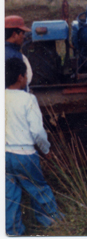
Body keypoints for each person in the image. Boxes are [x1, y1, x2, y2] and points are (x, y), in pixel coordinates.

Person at [5, 58, 62, 235]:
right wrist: (46, 151)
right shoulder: (28, 99)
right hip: (25, 154)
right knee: (39, 189)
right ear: (21, 77)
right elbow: (37, 131)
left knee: (9, 195)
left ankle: (12, 231)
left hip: (4, 154)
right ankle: (52, 223)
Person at [6, 15, 33, 90]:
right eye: (22, 33)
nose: (24, 37)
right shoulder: (17, 57)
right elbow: (22, 85)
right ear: (14, 34)